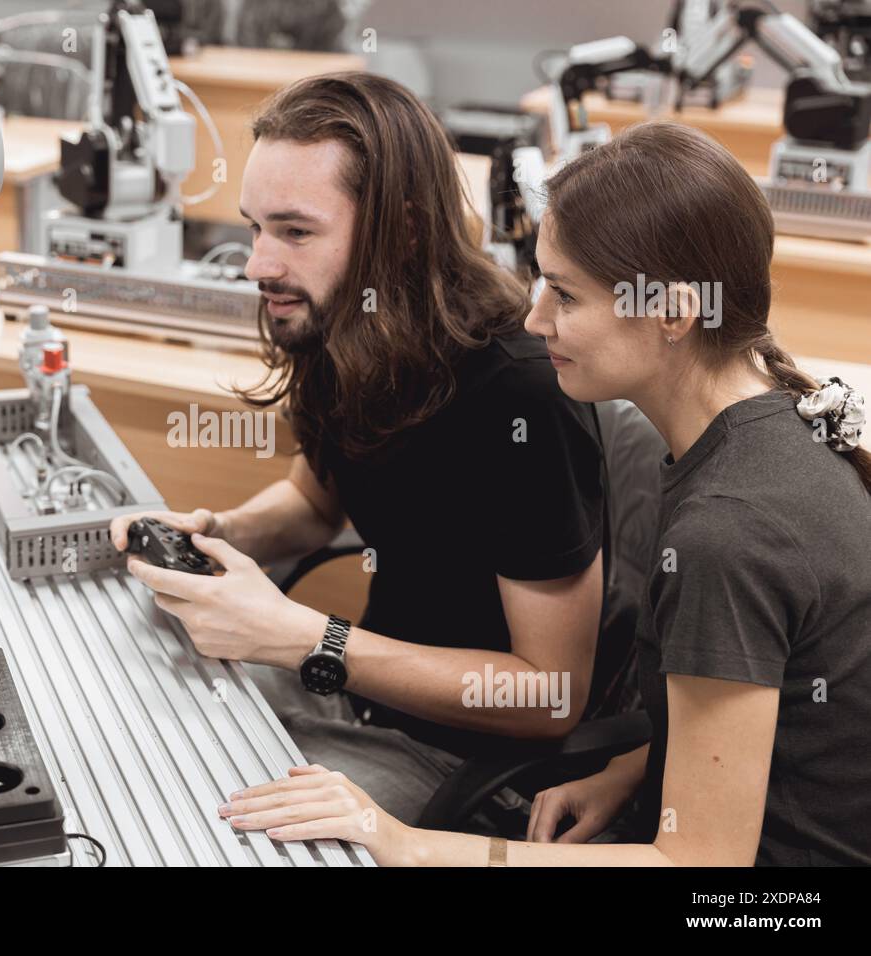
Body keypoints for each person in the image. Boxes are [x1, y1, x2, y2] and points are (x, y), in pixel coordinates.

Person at [219, 122, 871, 866]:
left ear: (673, 313)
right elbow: (766, 702)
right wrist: (629, 771)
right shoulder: (764, 437)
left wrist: (405, 844)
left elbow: (697, 868)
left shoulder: (728, 532)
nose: (535, 320)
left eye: (564, 294)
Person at [110, 72, 606, 828]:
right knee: (121, 720)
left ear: (401, 232)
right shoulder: (342, 325)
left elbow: (547, 697)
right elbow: (314, 503)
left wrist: (311, 638)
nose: (258, 265)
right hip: (353, 696)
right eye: (254, 228)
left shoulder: (518, 393)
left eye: (296, 232)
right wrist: (215, 536)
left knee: (174, 818)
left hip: (461, 757)